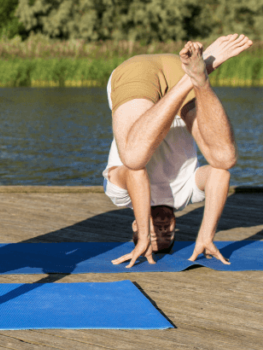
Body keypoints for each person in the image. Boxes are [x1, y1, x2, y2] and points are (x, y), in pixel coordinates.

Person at [104, 35, 253, 267]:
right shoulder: (186, 196)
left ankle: (188, 80)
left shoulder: (120, 197)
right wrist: (206, 234)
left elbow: (134, 175)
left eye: (156, 235)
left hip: (138, 71)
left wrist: (144, 237)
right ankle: (198, 78)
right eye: (167, 236)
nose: (162, 231)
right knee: (225, 160)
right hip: (178, 72)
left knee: (134, 159)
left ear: (136, 224)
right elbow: (218, 175)